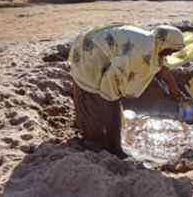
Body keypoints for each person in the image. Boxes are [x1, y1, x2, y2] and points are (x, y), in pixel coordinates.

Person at [69, 24, 185, 158]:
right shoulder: (140, 53)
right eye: (171, 50)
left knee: (110, 108)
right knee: (95, 101)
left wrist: (174, 90)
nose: (171, 54)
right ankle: (97, 145)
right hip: (89, 55)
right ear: (164, 43)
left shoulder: (153, 43)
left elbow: (162, 69)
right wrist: (110, 99)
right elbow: (112, 78)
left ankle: (111, 143)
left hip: (96, 49)